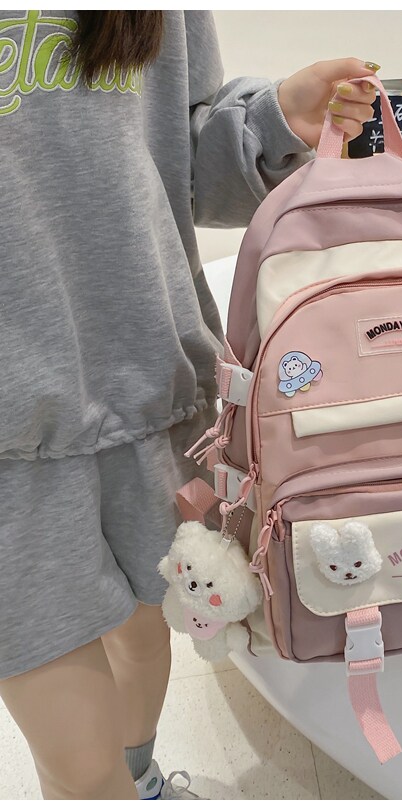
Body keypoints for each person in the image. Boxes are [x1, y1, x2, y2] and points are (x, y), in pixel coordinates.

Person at [0, 10, 377, 800]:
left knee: (147, 638)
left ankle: (145, 780)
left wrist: (275, 118)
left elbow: (178, 157)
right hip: (11, 445)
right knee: (79, 763)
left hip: (147, 381)